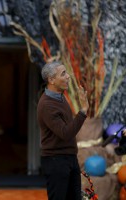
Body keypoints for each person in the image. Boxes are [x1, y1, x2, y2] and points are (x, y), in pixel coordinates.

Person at [37, 61, 89, 200]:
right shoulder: (47, 104)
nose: (68, 76)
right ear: (51, 80)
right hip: (56, 161)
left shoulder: (60, 97)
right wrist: (83, 111)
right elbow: (66, 133)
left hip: (69, 158)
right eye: (63, 74)